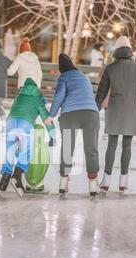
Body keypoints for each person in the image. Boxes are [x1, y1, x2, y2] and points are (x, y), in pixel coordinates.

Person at [95, 36, 136, 192]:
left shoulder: (110, 68)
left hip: (115, 108)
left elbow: (102, 91)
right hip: (132, 109)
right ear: (130, 50)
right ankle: (123, 181)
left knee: (111, 144)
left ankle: (106, 180)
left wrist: (96, 107)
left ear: (116, 50)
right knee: (127, 145)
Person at [45, 53, 100, 197]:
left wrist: (51, 115)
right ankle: (93, 186)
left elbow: (59, 96)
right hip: (91, 114)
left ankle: (63, 183)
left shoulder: (64, 77)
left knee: (68, 147)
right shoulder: (84, 76)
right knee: (91, 149)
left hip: (70, 115)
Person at [0, 78, 56, 197]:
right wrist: (52, 136)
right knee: (26, 152)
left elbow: (13, 111)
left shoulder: (19, 97)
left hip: (10, 123)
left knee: (10, 152)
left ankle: (4, 182)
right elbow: (47, 119)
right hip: (24, 125)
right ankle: (17, 176)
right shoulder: (37, 100)